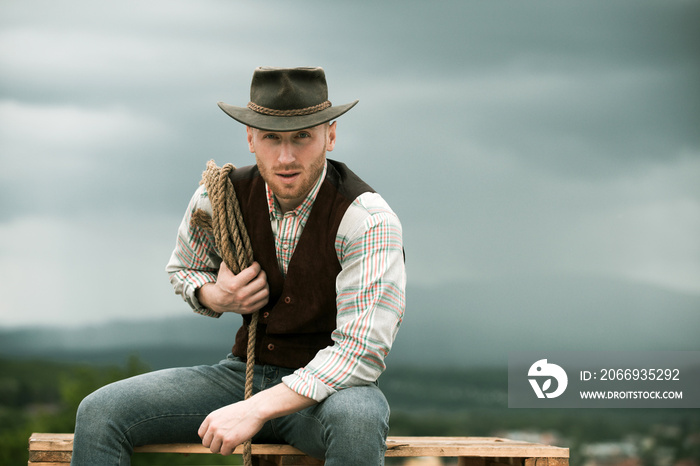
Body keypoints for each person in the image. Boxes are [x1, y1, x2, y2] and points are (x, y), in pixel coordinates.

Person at [71, 66, 406, 465]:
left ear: (330, 135)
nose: (286, 157)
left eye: (302, 136)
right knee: (100, 412)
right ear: (250, 138)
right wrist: (218, 294)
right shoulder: (220, 196)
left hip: (328, 393)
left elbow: (360, 353)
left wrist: (256, 408)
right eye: (270, 137)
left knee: (358, 419)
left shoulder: (367, 220)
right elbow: (184, 269)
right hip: (242, 374)